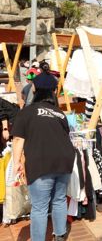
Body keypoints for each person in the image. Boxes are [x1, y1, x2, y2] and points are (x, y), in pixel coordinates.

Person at [10, 76, 74, 240]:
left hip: (41, 160)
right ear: (54, 92)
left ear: (34, 89)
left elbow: (18, 139)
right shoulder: (59, 113)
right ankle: (60, 235)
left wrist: (17, 163)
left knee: (39, 206)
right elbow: (65, 136)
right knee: (59, 199)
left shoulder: (27, 112)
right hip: (65, 159)